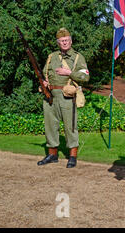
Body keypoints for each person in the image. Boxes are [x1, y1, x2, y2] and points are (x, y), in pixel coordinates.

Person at [37, 28, 90, 168]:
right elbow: (44, 74)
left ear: (71, 41)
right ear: (58, 43)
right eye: (61, 41)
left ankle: (72, 156)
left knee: (70, 127)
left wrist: (69, 72)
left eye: (66, 40)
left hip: (67, 96)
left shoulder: (78, 57)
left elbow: (85, 76)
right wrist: (44, 82)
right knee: (50, 126)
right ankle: (52, 154)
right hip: (50, 96)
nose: (64, 43)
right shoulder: (51, 57)